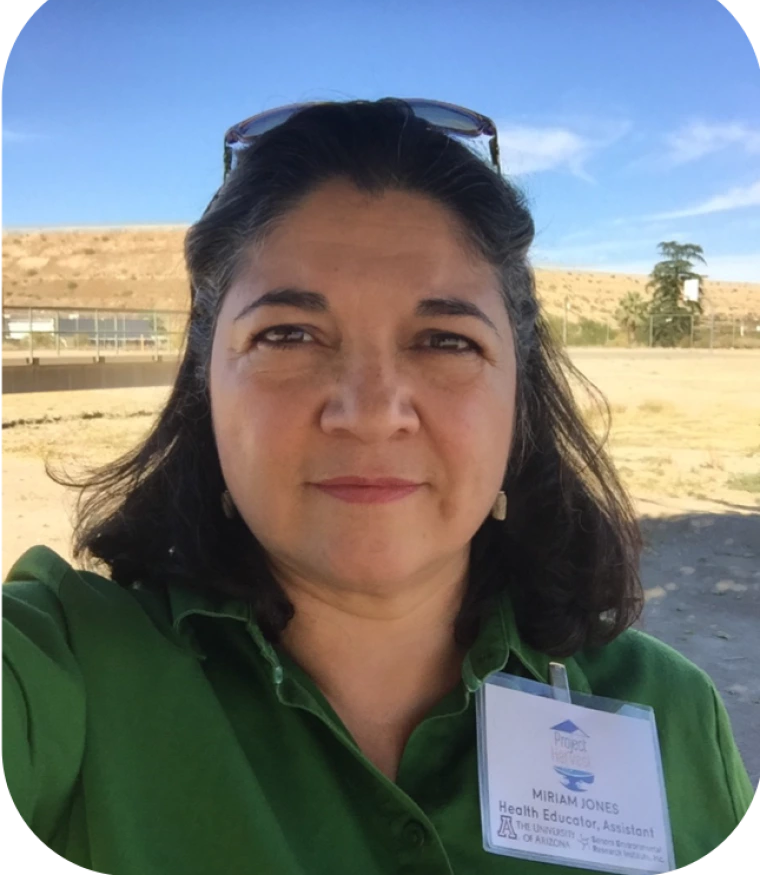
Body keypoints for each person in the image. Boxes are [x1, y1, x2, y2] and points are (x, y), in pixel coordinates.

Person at [0, 98, 753, 875]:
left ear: (519, 398)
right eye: (287, 334)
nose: (369, 412)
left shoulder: (670, 713)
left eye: (443, 340)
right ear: (205, 385)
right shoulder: (64, 668)